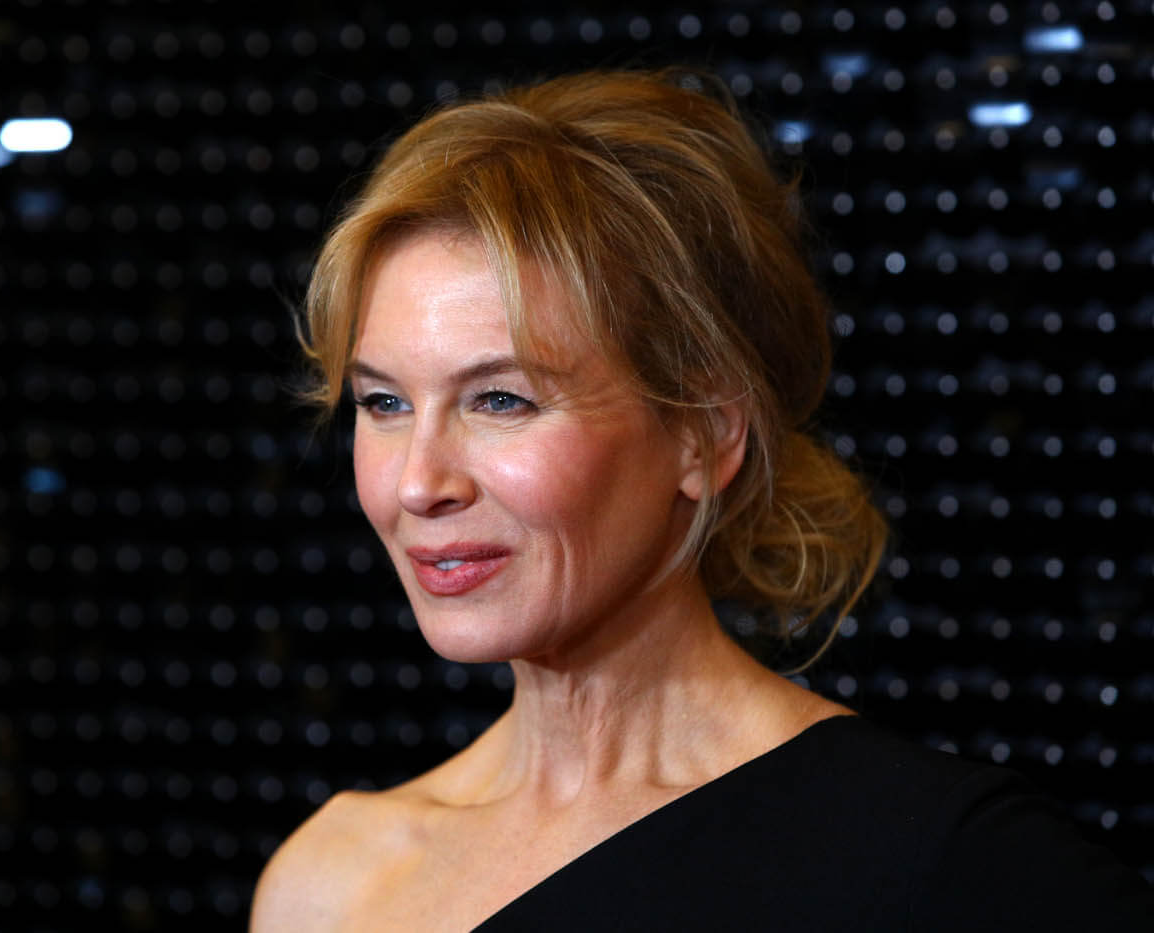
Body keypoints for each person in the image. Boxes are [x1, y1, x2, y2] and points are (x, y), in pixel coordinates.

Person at [250, 69, 1154, 931]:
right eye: (384, 403)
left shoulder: (945, 863)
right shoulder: (332, 883)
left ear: (704, 433)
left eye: (500, 400)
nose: (418, 483)